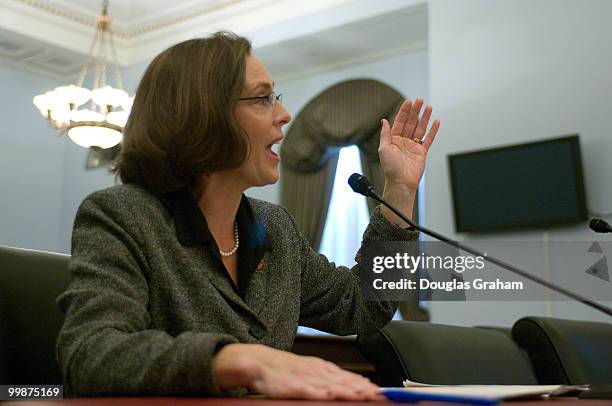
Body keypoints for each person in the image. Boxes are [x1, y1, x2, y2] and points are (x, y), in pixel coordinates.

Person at [56, 31, 440, 400]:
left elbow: (363, 307)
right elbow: (92, 356)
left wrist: (400, 192)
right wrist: (237, 359)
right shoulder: (121, 216)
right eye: (263, 99)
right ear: (202, 115)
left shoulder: (276, 229)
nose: (285, 114)